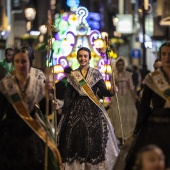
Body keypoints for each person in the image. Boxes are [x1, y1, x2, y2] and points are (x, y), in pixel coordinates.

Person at [58, 47, 119, 170]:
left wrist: (111, 92)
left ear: (89, 58)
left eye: (85, 56)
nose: (83, 58)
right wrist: (66, 110)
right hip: (76, 108)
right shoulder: (73, 75)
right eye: (80, 56)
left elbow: (102, 92)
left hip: (93, 107)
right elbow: (68, 94)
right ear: (77, 58)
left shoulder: (96, 73)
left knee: (95, 133)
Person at [0, 48, 60, 170]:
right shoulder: (6, 84)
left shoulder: (37, 84)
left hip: (32, 131)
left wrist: (48, 96)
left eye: (24, 61)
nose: (20, 64)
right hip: (10, 132)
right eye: (17, 61)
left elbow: (45, 111)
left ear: (29, 62)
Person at [125, 41, 170, 170]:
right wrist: (138, 127)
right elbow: (144, 106)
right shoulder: (152, 78)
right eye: (164, 54)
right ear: (160, 55)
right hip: (156, 126)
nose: (167, 57)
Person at [107, 57, 137, 144]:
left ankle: (127, 135)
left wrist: (134, 98)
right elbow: (112, 88)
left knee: (128, 115)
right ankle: (119, 136)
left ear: (124, 65)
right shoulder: (114, 75)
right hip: (117, 97)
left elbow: (131, 88)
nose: (120, 66)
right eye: (119, 65)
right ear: (116, 65)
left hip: (127, 98)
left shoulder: (128, 74)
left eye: (122, 64)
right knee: (117, 115)